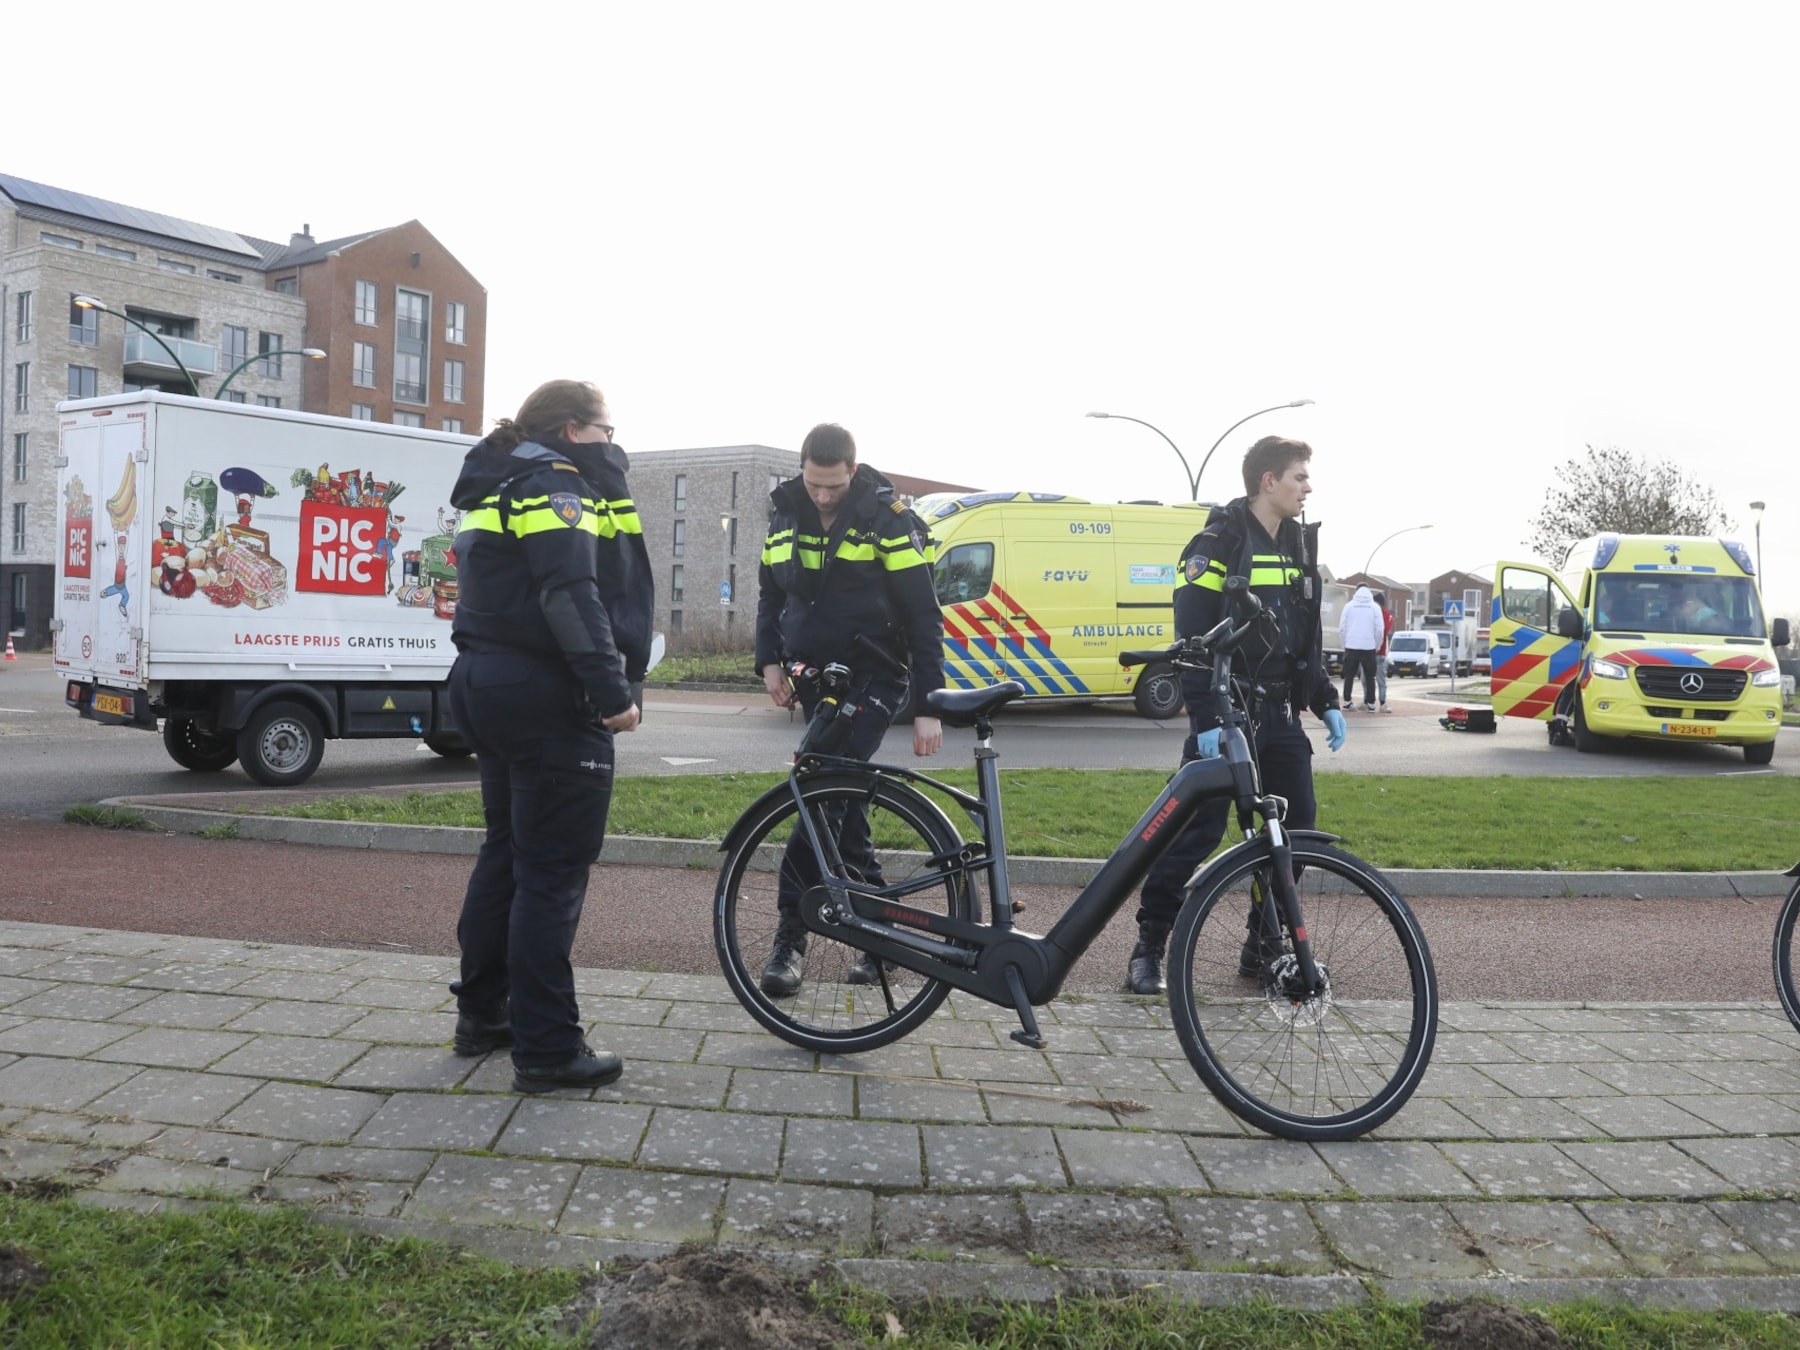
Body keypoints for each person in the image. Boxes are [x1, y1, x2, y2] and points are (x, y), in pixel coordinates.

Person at [444, 379, 653, 1093]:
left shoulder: (498, 478)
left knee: (506, 854)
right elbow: (570, 590)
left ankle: (484, 1016)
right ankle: (547, 1048)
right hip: (543, 694)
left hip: (484, 680)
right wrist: (611, 691)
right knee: (551, 874)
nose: (612, 442)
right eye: (605, 429)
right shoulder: (554, 482)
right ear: (571, 430)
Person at [1125, 436, 1347, 995]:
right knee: (1196, 833)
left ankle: (1263, 942)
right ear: (1267, 481)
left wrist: (1323, 698)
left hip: (1279, 713)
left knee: (1295, 835)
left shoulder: (1298, 543)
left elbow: (1303, 633)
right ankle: (1149, 946)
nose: (1308, 487)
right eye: (1298, 476)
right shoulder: (1217, 543)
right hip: (1229, 708)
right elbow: (1193, 640)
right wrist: (1205, 719)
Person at [755, 423, 945, 995]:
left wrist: (930, 704)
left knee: (818, 794)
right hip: (816, 677)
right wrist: (770, 662)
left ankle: (789, 939)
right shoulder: (786, 511)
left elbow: (922, 614)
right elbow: (771, 593)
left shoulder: (888, 520)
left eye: (832, 486)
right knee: (846, 803)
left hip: (876, 676)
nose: (821, 496)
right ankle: (883, 937)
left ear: (853, 472)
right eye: (813, 483)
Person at [1339, 585, 1384, 713]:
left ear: (1356, 591)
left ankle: (1347, 702)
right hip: (1369, 647)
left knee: (1349, 675)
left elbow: (1342, 628)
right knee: (1370, 677)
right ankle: (1371, 704)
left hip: (1351, 646)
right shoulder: (1375, 607)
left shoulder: (1349, 606)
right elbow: (1379, 629)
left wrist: (1345, 645)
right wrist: (1376, 645)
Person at [1373, 591, 1396, 712]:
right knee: (1367, 680)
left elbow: (1385, 630)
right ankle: (1369, 701)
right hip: (1370, 651)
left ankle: (1382, 702)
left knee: (1379, 679)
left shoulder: (1386, 616)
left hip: (1379, 652)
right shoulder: (1384, 615)